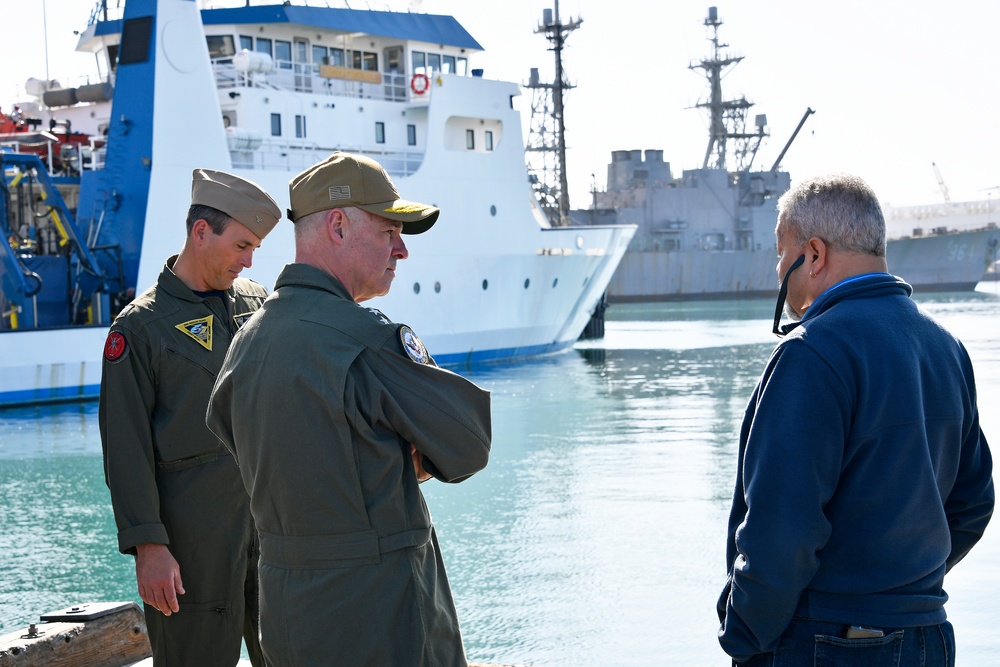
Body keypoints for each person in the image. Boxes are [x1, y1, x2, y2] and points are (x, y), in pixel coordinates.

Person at [206, 151, 492, 667]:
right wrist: (404, 454)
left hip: (289, 620)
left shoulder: (246, 343)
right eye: (388, 231)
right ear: (338, 225)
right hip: (384, 622)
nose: (401, 250)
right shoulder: (365, 342)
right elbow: (468, 444)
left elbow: (251, 449)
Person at [717, 173, 994, 665]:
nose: (778, 269)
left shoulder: (812, 353)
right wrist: (903, 589)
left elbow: (781, 532)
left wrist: (743, 637)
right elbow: (973, 502)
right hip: (928, 636)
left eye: (782, 253)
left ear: (815, 254)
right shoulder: (946, 349)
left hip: (828, 641)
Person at [99, 168, 281, 667]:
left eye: (254, 252)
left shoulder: (257, 304)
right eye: (241, 245)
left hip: (268, 530)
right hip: (190, 542)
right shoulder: (138, 329)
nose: (247, 262)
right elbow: (125, 447)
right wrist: (147, 546)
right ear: (201, 232)